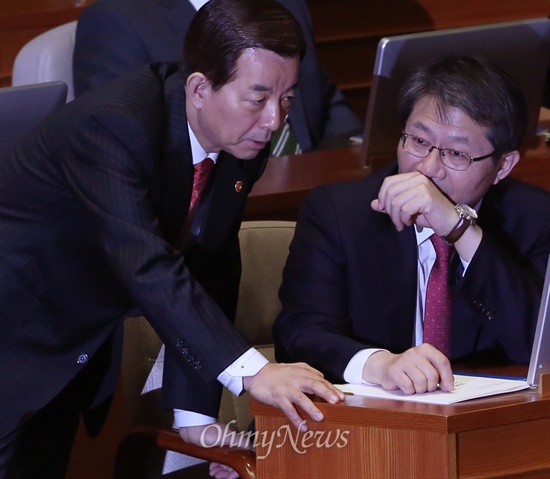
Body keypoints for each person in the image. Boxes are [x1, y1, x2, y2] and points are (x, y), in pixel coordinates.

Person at [0, 0, 345, 476]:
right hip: (12, 327)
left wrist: (194, 415)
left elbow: (209, 264)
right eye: (258, 98)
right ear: (200, 87)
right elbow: (146, 262)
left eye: (287, 98)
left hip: (69, 343)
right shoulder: (114, 125)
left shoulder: (239, 138)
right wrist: (253, 372)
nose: (274, 119)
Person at [274, 55, 550, 396]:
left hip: (489, 422)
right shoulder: (339, 213)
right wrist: (379, 364)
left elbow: (540, 346)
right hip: (369, 425)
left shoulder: (535, 216)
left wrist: (458, 228)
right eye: (419, 142)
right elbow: (299, 334)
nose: (429, 168)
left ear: (503, 165)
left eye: (456, 154)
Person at [72, 0, 362, 155]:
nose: (274, 119)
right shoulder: (117, 19)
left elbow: (324, 98)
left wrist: (347, 158)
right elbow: (118, 141)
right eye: (257, 99)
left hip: (303, 192)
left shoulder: (284, 4)